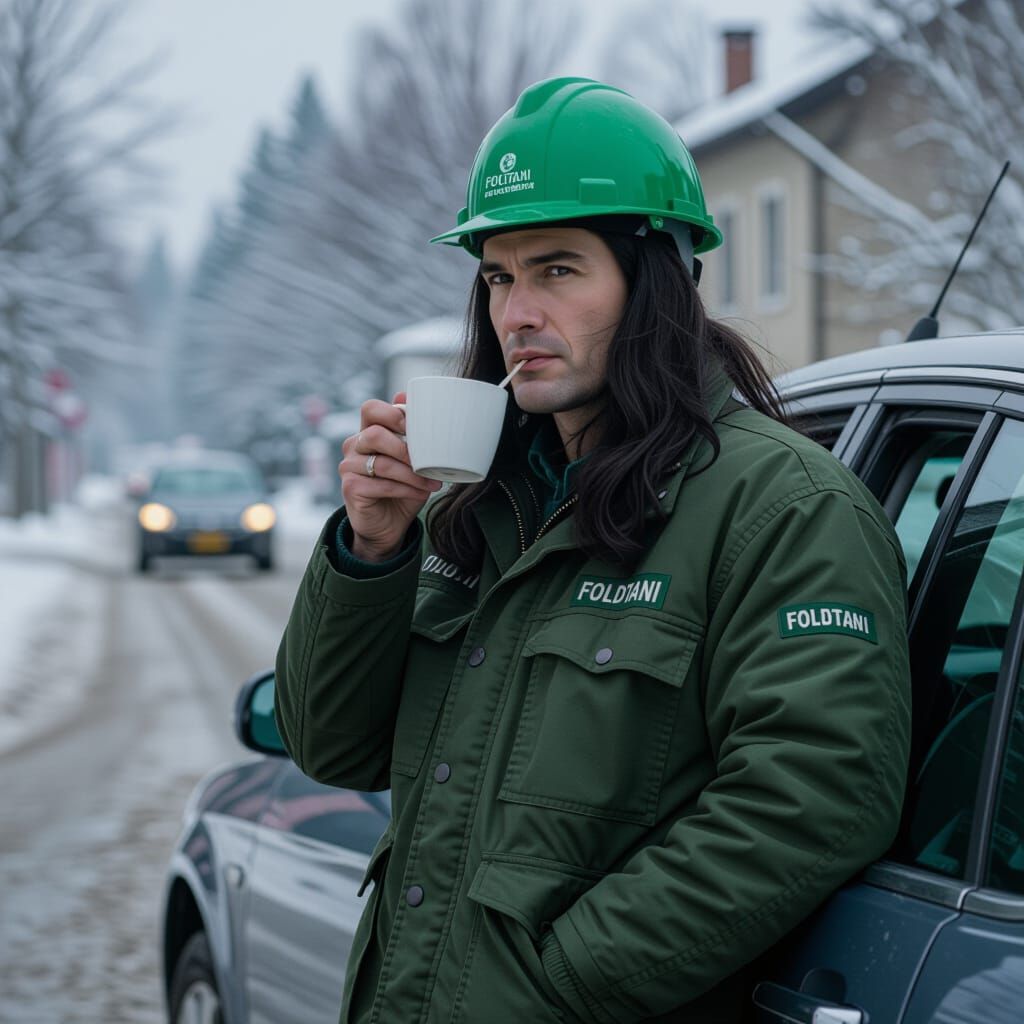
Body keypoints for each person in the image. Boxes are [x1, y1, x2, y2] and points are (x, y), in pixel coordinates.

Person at [275, 77, 912, 1024]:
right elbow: (333, 745)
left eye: (558, 270)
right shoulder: (477, 507)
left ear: (655, 282)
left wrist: (557, 982)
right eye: (498, 275)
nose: (516, 312)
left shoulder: (782, 506)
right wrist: (372, 548)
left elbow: (809, 796)